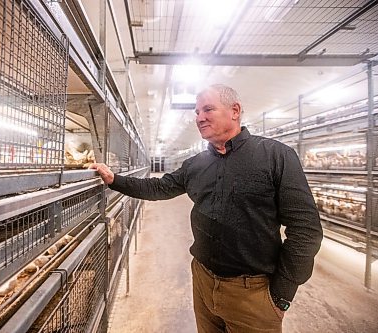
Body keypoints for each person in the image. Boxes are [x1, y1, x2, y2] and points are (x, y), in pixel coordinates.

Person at [90, 84, 323, 333]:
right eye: (197, 111)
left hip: (253, 293)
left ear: (235, 111)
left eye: (208, 109)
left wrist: (281, 295)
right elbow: (158, 188)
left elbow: (305, 229)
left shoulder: (276, 156)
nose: (199, 118)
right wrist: (115, 180)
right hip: (202, 279)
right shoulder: (196, 165)